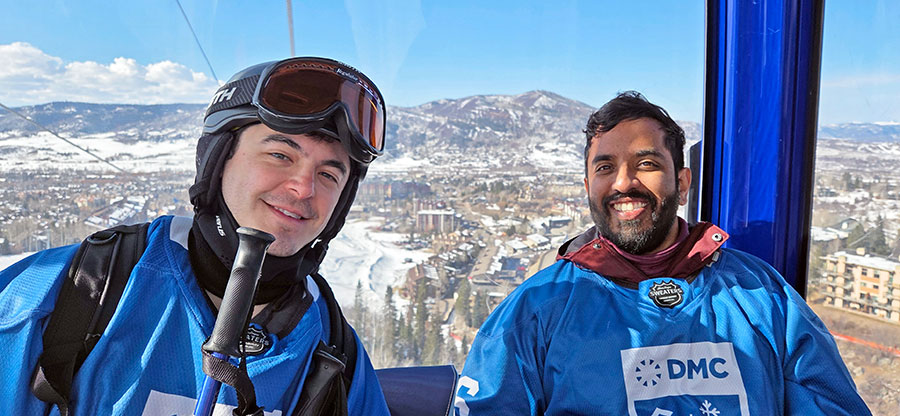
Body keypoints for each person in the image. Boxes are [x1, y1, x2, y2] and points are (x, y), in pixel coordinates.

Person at [0, 57, 390, 415]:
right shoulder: (64, 292)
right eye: (280, 155)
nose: (304, 189)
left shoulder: (336, 351)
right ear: (218, 162)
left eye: (328, 175)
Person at [455, 91, 871, 415]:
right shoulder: (537, 310)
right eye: (604, 168)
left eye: (647, 163)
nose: (624, 183)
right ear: (587, 187)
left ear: (683, 182)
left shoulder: (762, 296)